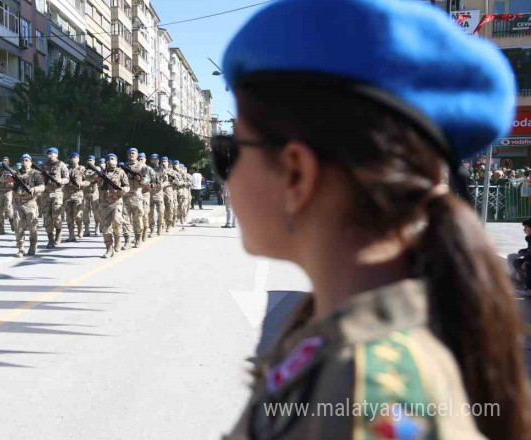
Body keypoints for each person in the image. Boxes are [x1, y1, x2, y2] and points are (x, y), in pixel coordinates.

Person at [215, 0, 528, 438]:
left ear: (297, 173)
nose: (226, 174)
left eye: (230, 151)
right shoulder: (334, 335)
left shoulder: (373, 392)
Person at [8, 154, 45, 257]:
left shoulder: (35, 174)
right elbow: (5, 181)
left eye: (27, 160)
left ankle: (33, 245)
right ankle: (21, 248)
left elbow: (42, 186)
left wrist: (35, 189)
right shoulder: (16, 174)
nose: (25, 162)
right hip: (17, 202)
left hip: (30, 203)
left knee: (32, 226)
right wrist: (7, 179)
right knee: (18, 227)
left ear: (31, 162)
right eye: (23, 160)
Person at [95, 153, 129, 258]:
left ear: (116, 161)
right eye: (109, 159)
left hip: (116, 201)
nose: (111, 161)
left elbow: (127, 186)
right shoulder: (101, 173)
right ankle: (109, 249)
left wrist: (122, 190)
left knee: (117, 221)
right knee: (105, 227)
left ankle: (118, 239)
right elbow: (93, 182)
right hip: (104, 202)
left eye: (113, 159)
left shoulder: (120, 172)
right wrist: (97, 180)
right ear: (106, 161)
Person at [39, 147, 70, 248]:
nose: (51, 155)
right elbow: (38, 178)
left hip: (57, 193)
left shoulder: (61, 165)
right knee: (47, 218)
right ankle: (50, 239)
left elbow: (67, 178)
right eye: (49, 153)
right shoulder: (43, 165)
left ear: (57, 154)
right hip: (45, 193)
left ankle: (58, 233)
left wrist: (61, 181)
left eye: (53, 153)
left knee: (56, 217)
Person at [122, 148, 150, 248]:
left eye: (133, 153)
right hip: (125, 196)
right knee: (125, 220)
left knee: (137, 219)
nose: (131, 154)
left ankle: (138, 239)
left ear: (137, 155)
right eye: (129, 153)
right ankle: (127, 240)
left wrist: (140, 179)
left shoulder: (142, 167)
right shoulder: (123, 166)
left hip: (137, 195)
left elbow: (147, 181)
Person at [63, 152, 88, 242]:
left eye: (75, 157)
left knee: (77, 215)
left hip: (78, 195)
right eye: (72, 157)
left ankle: (80, 228)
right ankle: (71, 235)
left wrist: (81, 184)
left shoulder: (82, 169)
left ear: (78, 159)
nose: (73, 159)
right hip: (67, 196)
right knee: (69, 217)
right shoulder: (67, 170)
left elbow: (88, 181)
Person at [147, 154, 169, 236]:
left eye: (155, 159)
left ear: (158, 160)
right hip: (149, 193)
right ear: (150, 160)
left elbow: (167, 181)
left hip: (159, 193)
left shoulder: (162, 169)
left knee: (160, 212)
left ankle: (159, 227)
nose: (154, 160)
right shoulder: (147, 169)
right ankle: (152, 229)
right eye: (152, 159)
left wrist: (162, 185)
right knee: (150, 213)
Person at [508, 219, 531, 293]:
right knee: (515, 261)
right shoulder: (529, 238)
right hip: (529, 258)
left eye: (525, 228)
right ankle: (522, 283)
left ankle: (529, 289)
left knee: (528, 265)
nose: (524, 230)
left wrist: (524, 258)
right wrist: (523, 250)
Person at [0, 156, 15, 234]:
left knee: (8, 208)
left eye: (6, 160)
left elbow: (14, 181)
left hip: (8, 191)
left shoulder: (11, 171)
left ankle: (12, 223)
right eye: (3, 160)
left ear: (8, 162)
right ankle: (1, 229)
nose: (4, 162)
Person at [82, 155, 101, 237]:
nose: (90, 162)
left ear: (94, 161)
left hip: (94, 193)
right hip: (85, 193)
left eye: (91, 160)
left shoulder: (97, 169)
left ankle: (97, 226)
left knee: (96, 211)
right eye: (89, 160)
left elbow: (99, 180)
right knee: (85, 212)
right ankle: (86, 229)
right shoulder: (84, 170)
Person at [138, 153, 153, 240]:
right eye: (139, 159)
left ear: (145, 160)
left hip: (145, 194)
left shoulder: (149, 169)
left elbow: (156, 181)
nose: (140, 161)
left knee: (144, 214)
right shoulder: (135, 169)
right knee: (137, 215)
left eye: (142, 159)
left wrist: (150, 185)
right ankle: (138, 234)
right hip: (136, 194)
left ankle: (145, 230)